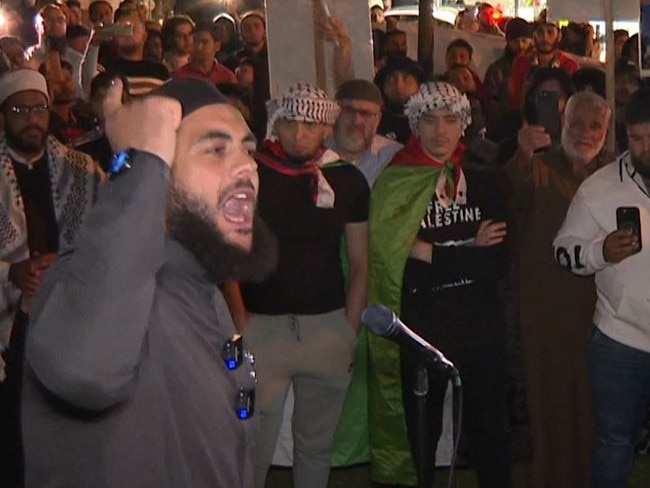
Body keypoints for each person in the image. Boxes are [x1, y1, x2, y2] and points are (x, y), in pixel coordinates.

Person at [22, 77, 277, 488]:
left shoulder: (207, 295)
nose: (248, 165)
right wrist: (138, 164)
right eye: (216, 148)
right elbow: (86, 372)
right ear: (157, 170)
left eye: (248, 149)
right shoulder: (75, 282)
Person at [367, 82, 514, 487]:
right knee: (422, 434)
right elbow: (394, 258)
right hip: (423, 327)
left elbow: (497, 261)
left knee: (490, 434)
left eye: (450, 119)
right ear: (415, 124)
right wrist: (469, 248)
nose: (440, 131)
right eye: (429, 120)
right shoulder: (395, 182)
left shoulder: (487, 180)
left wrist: (428, 251)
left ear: (464, 124)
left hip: (481, 327)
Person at [240, 83, 369, 488]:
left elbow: (361, 261)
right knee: (250, 444)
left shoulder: (346, 179)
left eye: (310, 124)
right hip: (261, 328)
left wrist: (349, 328)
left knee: (316, 448)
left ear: (325, 128)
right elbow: (228, 252)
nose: (299, 133)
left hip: (327, 328)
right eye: (291, 122)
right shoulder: (251, 172)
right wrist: (241, 324)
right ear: (276, 124)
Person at [0, 68, 101, 488]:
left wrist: (65, 263)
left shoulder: (82, 169)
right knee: (11, 433)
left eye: (38, 108)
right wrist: (11, 271)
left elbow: (106, 241)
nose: (32, 118)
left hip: (67, 319)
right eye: (19, 109)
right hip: (12, 329)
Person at [505, 91, 611, 488]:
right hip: (542, 315)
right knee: (544, 402)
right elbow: (508, 199)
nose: (585, 133)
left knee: (588, 404)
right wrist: (521, 156)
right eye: (577, 124)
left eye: (594, 126)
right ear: (561, 124)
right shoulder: (538, 169)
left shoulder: (613, 177)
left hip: (597, 315)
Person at [552, 87, 650, 488]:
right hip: (619, 340)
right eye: (637, 139)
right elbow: (563, 249)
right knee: (613, 442)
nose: (645, 148)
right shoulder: (600, 187)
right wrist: (601, 253)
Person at [328, 78, 402, 186]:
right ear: (334, 113)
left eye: (365, 113)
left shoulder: (394, 157)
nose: (356, 121)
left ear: (378, 118)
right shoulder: (315, 153)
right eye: (348, 110)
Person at [509, 20, 580, 109]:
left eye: (550, 32)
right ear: (534, 35)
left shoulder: (570, 66)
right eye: (540, 32)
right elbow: (515, 99)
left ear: (559, 36)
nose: (545, 38)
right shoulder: (521, 62)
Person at [106, 9, 169, 96]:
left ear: (145, 36)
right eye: (122, 28)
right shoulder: (106, 69)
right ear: (114, 36)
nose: (128, 33)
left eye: (133, 28)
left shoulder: (159, 70)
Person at [484, 17, 533, 120]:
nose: (520, 45)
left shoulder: (537, 65)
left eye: (524, 41)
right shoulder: (497, 69)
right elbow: (489, 101)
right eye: (515, 41)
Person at [374, 57, 424, 144]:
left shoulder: (428, 122)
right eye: (392, 79)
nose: (399, 86)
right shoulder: (373, 122)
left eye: (407, 79)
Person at [172, 21, 236, 85]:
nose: (199, 47)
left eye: (205, 42)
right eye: (195, 41)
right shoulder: (180, 76)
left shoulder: (227, 77)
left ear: (217, 46)